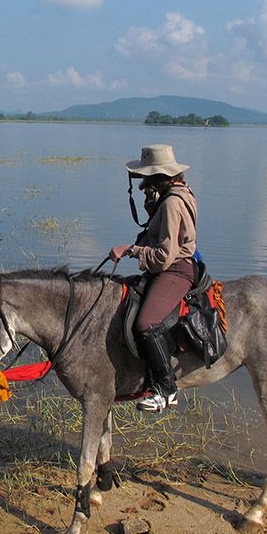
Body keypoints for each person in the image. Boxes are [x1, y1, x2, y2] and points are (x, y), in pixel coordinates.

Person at [110, 144, 198, 413]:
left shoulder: (172, 203)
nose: (142, 183)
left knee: (147, 322)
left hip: (175, 270)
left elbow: (163, 257)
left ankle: (165, 388)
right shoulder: (171, 196)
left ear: (155, 176)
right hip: (172, 267)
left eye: (145, 178)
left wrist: (132, 250)